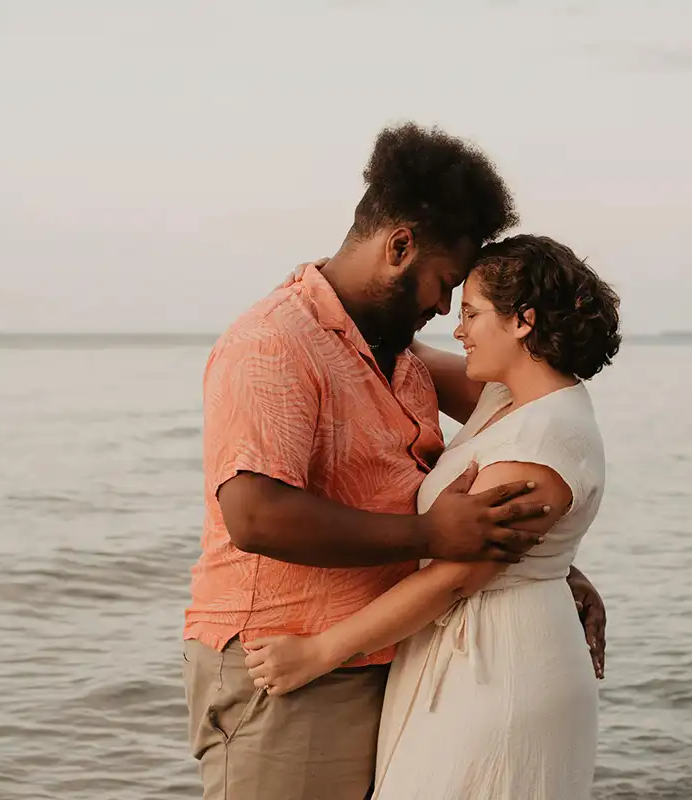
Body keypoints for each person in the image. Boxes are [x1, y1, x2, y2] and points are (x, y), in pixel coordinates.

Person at [182, 122, 606, 800]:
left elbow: (530, 433)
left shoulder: (400, 354)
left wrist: (547, 564)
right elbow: (255, 516)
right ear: (399, 247)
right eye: (444, 284)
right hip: (284, 664)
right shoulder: (274, 342)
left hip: (384, 653)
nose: (444, 309)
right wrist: (430, 535)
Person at [244, 234, 622, 799]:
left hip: (499, 668)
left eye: (470, 313)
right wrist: (331, 287)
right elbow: (399, 347)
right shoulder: (508, 401)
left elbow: (455, 577)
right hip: (471, 654)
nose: (458, 328)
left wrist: (317, 654)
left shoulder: (542, 438)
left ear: (523, 321)